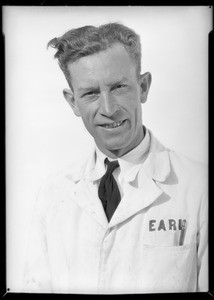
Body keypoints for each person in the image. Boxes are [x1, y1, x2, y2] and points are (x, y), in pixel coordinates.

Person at [23, 22, 208, 294]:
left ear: (143, 87)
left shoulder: (199, 187)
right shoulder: (54, 193)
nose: (108, 109)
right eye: (91, 93)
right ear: (73, 102)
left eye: (119, 87)